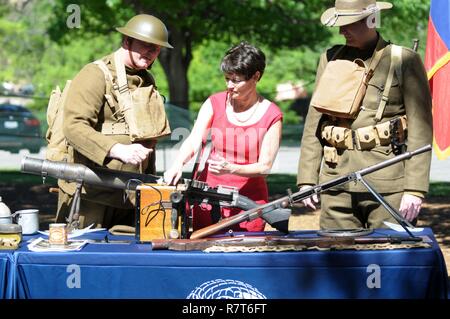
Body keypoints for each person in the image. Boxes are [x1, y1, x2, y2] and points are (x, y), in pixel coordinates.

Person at [297, 0, 433, 230]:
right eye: (340, 24)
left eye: (349, 24)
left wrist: (414, 189)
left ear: (371, 19)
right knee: (337, 257)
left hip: (387, 181)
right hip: (336, 179)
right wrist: (307, 180)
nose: (342, 30)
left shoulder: (403, 60)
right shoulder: (330, 58)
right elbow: (314, 123)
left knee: (388, 256)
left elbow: (421, 130)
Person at [56, 14, 173, 229]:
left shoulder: (146, 80)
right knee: (87, 257)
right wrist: (115, 149)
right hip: (93, 195)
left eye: (156, 48)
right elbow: (74, 126)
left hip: (132, 195)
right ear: (127, 41)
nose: (151, 52)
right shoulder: (95, 74)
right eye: (145, 45)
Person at [164, 42, 283, 232]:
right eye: (227, 79)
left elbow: (265, 167)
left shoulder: (272, 114)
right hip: (207, 200)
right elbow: (195, 139)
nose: (229, 85)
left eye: (236, 80)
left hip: (248, 204)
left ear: (256, 76)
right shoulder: (214, 102)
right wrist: (177, 164)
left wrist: (231, 168)